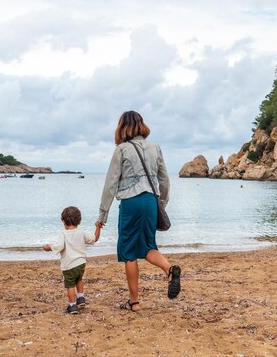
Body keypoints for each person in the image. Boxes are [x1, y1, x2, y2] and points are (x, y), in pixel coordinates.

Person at [97, 110, 181, 312]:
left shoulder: (122, 150)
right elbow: (164, 180)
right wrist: (162, 202)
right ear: (141, 125)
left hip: (130, 203)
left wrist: (102, 215)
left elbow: (110, 184)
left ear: (122, 127)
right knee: (148, 245)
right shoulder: (155, 148)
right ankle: (169, 269)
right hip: (151, 201)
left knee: (129, 253)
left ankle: (134, 301)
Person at [43, 206, 101, 314]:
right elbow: (94, 238)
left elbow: (59, 246)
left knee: (70, 285)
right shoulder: (81, 232)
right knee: (79, 280)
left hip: (68, 265)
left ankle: (72, 305)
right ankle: (81, 298)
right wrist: (98, 227)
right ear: (79, 220)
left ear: (63, 220)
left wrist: (48, 248)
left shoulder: (63, 233)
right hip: (81, 264)